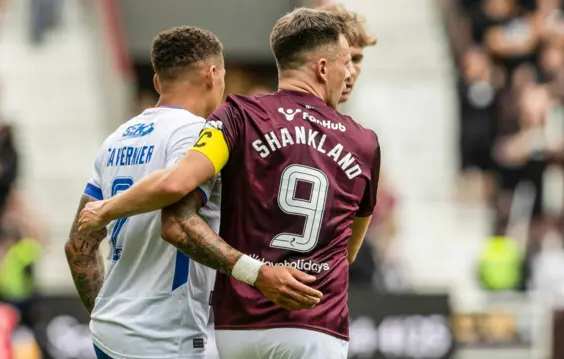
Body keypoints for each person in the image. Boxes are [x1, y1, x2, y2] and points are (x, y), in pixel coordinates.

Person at [78, 7, 380, 359]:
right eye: (349, 62)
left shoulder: (237, 115)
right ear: (323, 67)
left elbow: (178, 185)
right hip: (316, 323)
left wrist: (107, 209)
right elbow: (348, 252)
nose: (350, 74)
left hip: (239, 326)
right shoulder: (363, 142)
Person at [64, 26, 234, 359]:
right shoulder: (197, 134)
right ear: (213, 74)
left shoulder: (116, 139)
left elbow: (78, 246)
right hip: (164, 336)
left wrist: (107, 309)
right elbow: (176, 204)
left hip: (109, 333)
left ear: (158, 83)